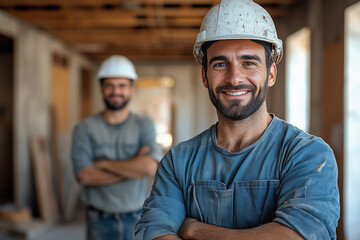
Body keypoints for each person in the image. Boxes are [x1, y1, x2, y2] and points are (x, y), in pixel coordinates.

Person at [135, 0, 340, 239]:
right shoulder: (178, 161)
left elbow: (301, 236)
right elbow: (154, 231)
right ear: (204, 76)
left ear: (271, 73)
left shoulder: (308, 154)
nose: (234, 78)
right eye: (220, 64)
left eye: (248, 62)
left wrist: (196, 230)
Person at [71, 55, 163, 240]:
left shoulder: (143, 124)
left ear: (131, 88)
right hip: (98, 218)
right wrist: (132, 167)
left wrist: (102, 163)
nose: (116, 91)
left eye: (122, 85)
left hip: (136, 217)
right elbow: (84, 176)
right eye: (110, 85)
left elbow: (149, 167)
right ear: (101, 88)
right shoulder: (85, 128)